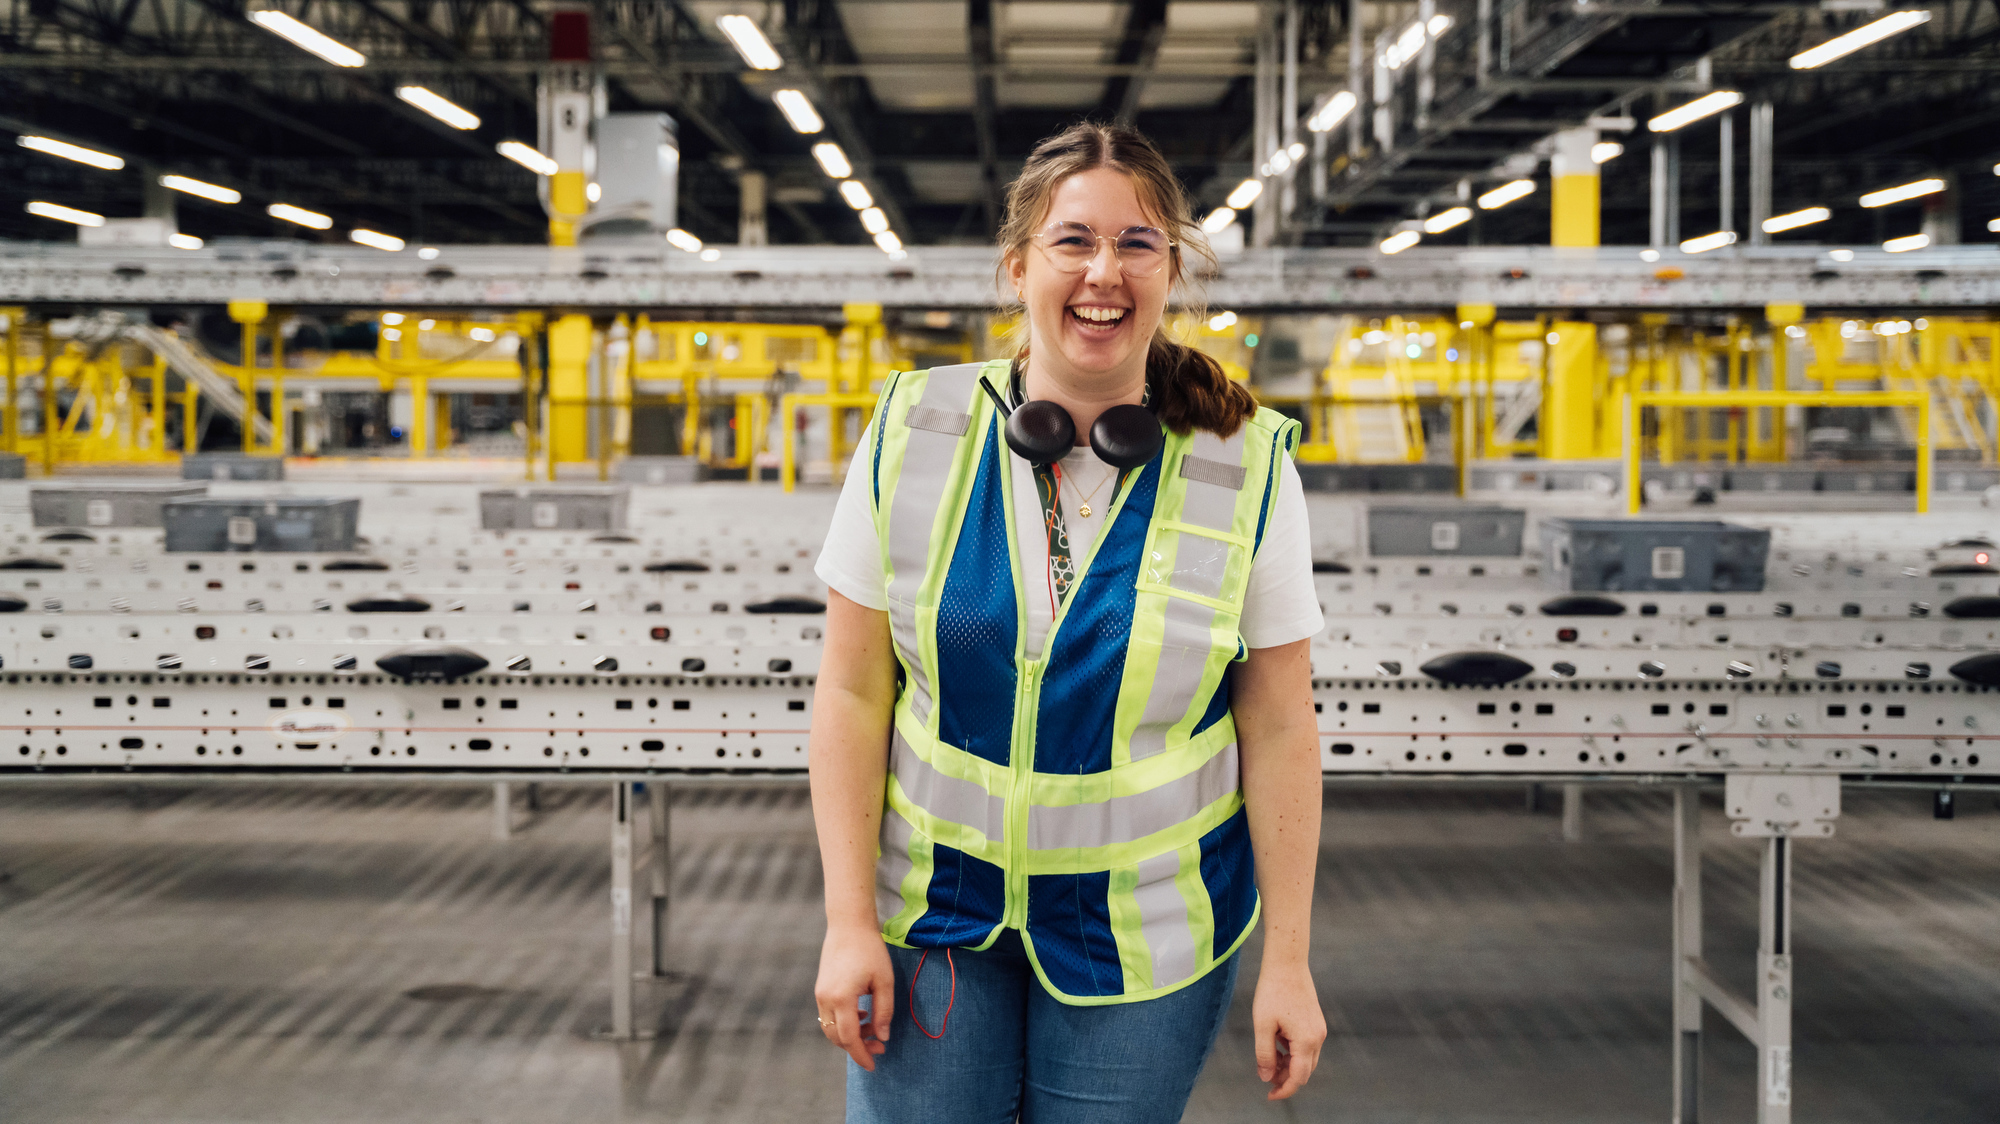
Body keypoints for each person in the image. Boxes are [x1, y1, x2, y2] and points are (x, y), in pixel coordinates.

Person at [809, 121, 1326, 1123]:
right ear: (1017, 267)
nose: (1104, 271)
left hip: (1146, 930)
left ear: (1169, 269)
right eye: (1073, 240)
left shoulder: (1244, 464)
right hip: (933, 916)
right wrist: (843, 920)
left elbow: (1277, 724)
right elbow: (852, 685)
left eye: (1136, 243)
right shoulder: (915, 429)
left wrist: (1291, 960)